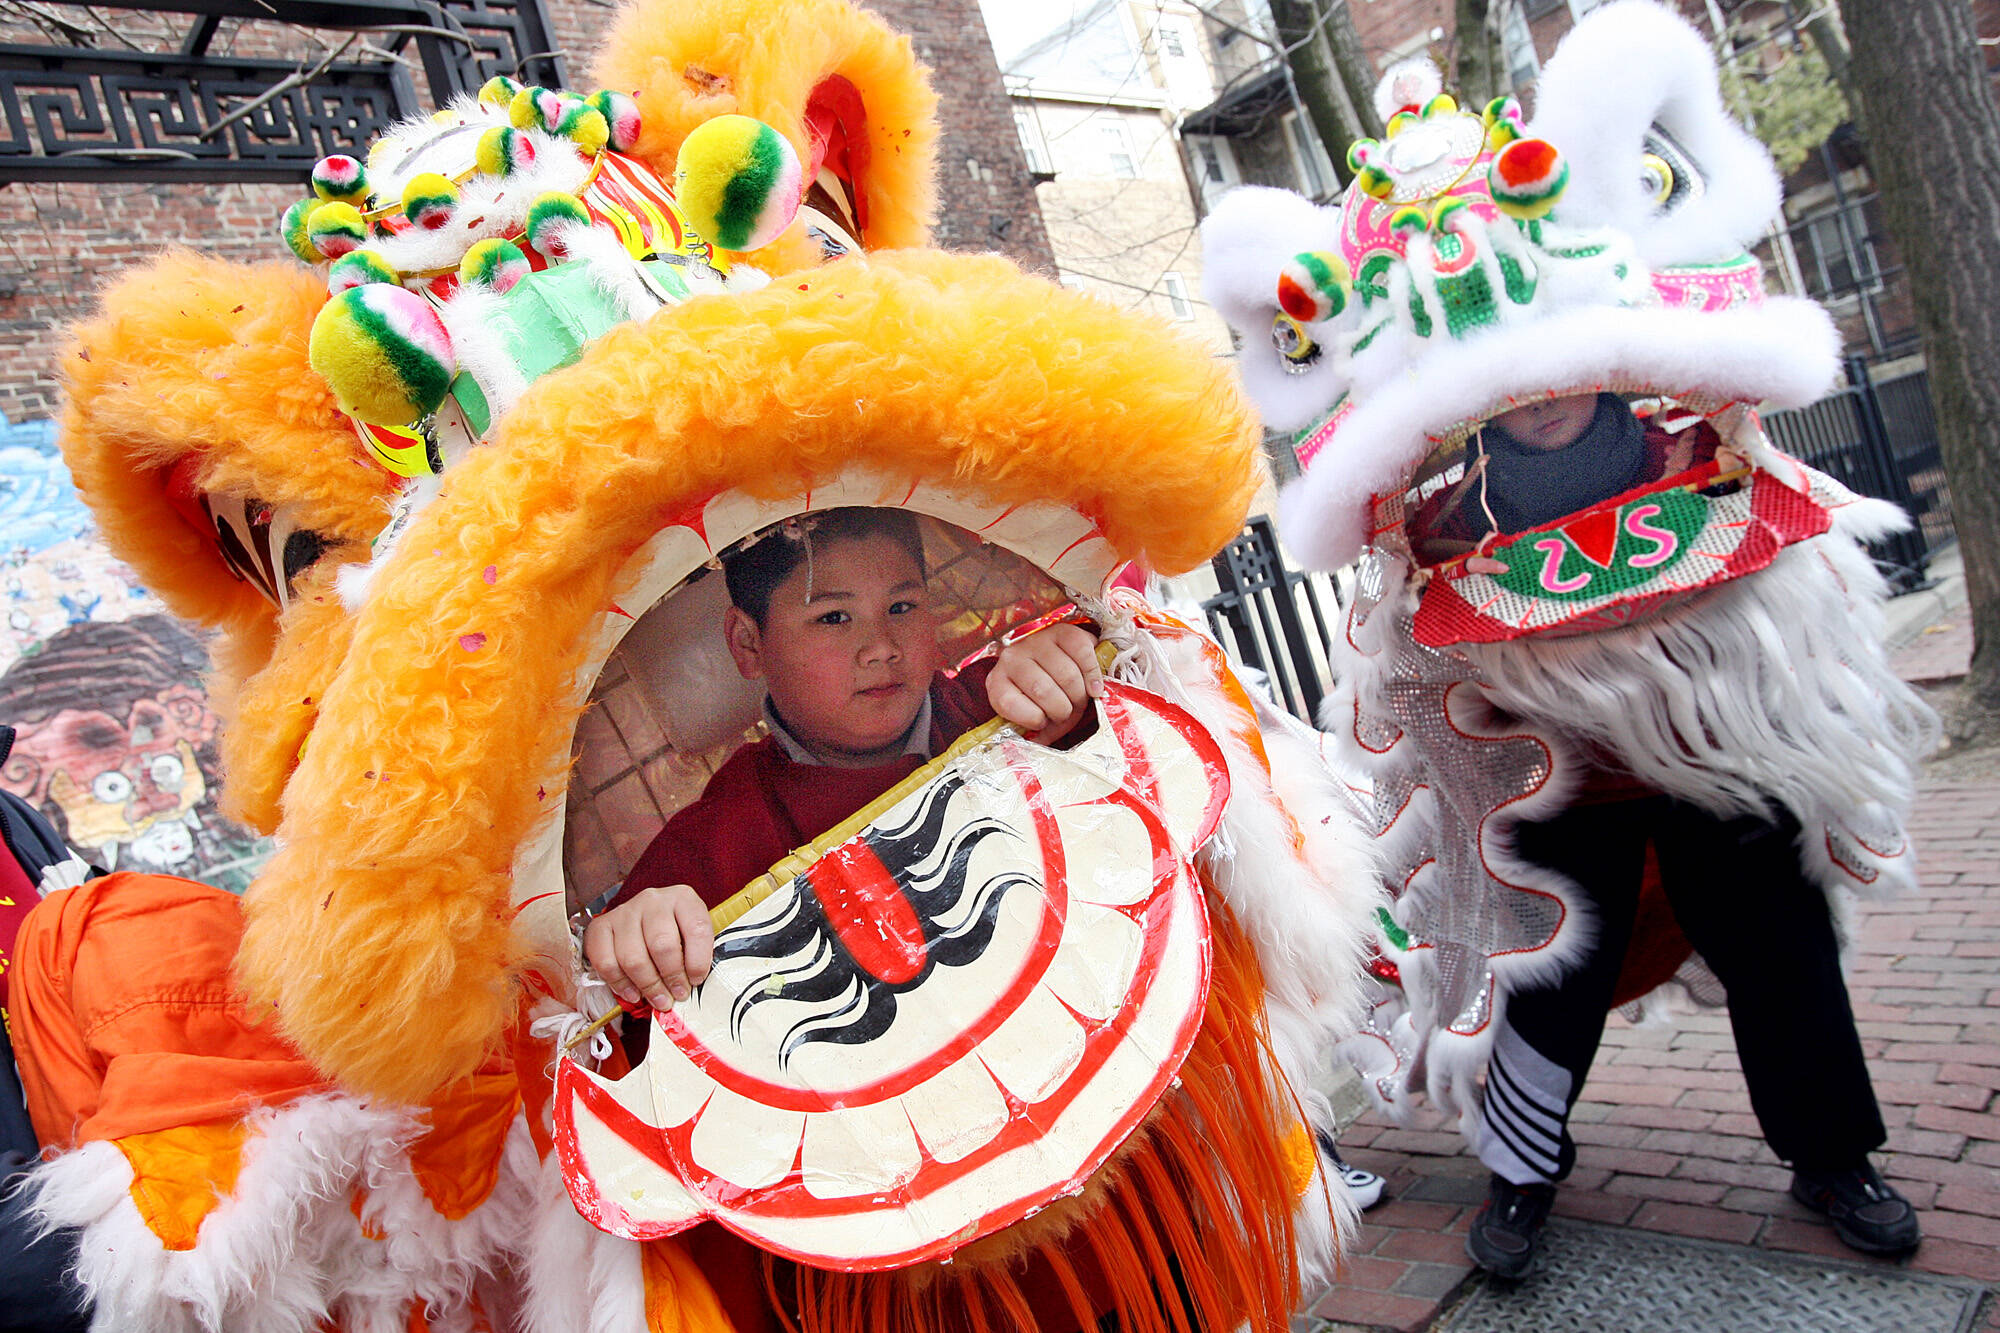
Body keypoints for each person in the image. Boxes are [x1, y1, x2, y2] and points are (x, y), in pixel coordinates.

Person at [585, 506, 1104, 1012]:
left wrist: (1078, 660)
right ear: (747, 642)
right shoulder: (711, 847)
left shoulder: (1007, 702)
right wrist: (632, 942)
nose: (880, 647)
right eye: (833, 617)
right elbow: (608, 1000)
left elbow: (1138, 696)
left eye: (902, 607)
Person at [1409, 392, 1722, 569]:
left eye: (1555, 381)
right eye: (1512, 395)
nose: (1539, 403)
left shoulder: (1696, 454)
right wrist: (1457, 572)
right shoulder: (1450, 520)